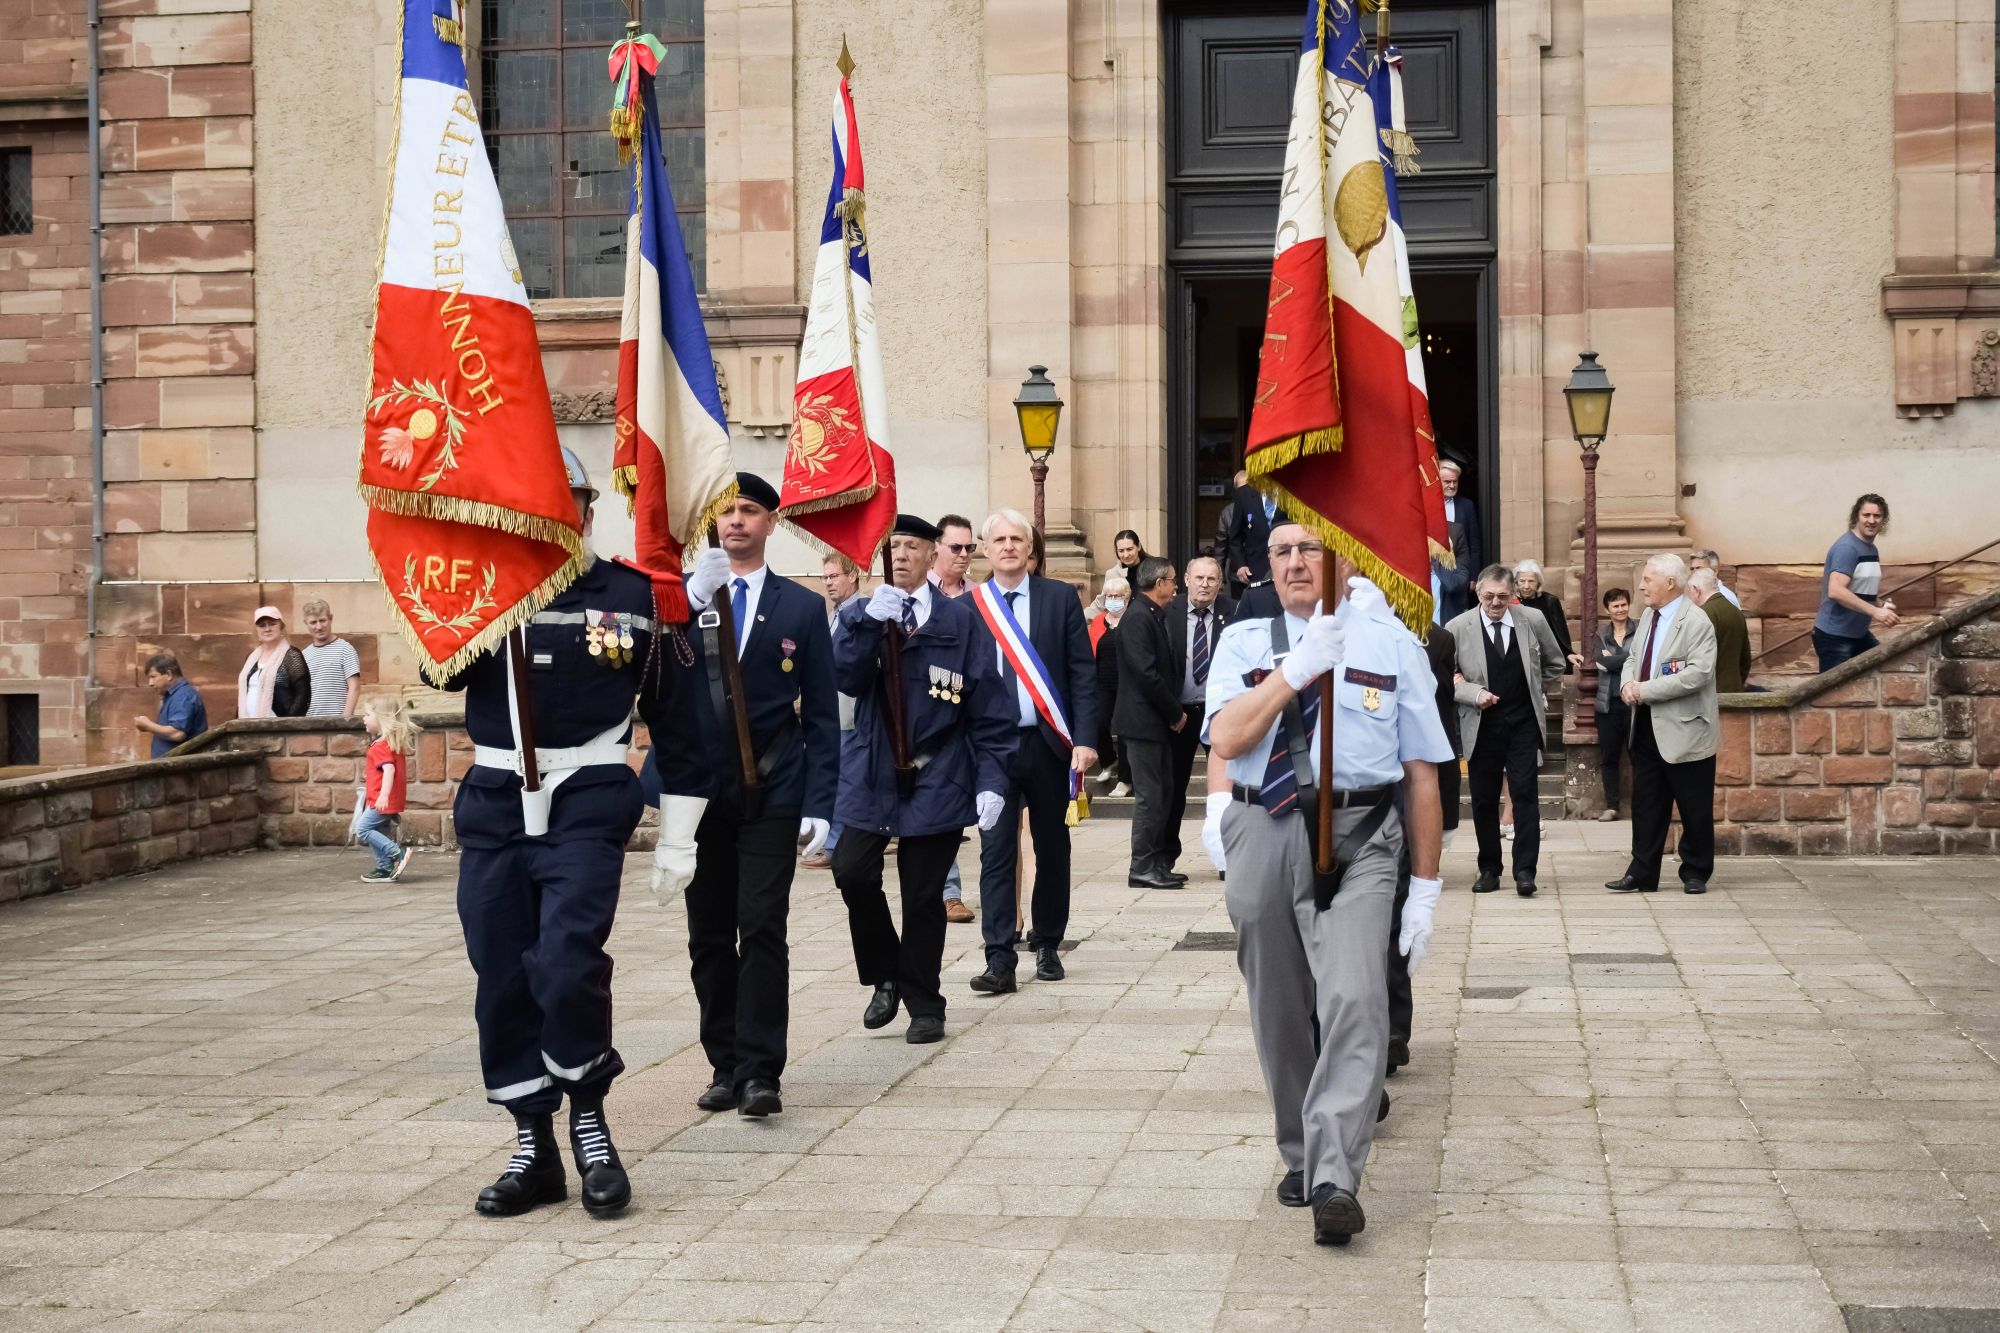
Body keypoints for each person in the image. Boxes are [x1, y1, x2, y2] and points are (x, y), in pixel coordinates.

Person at [441, 447, 674, 1219]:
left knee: (568, 959)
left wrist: (684, 825)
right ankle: (531, 1142)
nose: (548, 513)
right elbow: (438, 672)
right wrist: (466, 590)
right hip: (498, 800)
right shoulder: (481, 594)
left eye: (562, 499)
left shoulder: (626, 592)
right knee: (500, 973)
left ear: (583, 508)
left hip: (585, 797)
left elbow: (676, 715)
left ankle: (590, 1117)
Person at [1205, 525, 1450, 1245]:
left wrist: (1427, 887)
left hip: (1362, 833)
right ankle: (1301, 1146)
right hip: (1267, 824)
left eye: (1309, 547)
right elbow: (1226, 738)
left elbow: (1422, 772)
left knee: (1356, 994)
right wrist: (1295, 671)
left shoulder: (1390, 643)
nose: (1293, 562)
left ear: (1344, 559)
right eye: (1280, 551)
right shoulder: (1244, 643)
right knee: (1278, 1000)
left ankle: (1336, 1173)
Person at [646, 473, 840, 1121]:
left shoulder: (800, 607)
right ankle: (724, 1063)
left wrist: (821, 802)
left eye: (749, 511)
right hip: (699, 791)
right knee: (708, 933)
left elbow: (819, 716)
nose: (735, 521)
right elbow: (655, 692)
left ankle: (761, 1070)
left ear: (771, 523)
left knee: (761, 927)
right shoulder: (679, 599)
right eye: (726, 511)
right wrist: (677, 606)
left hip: (775, 786)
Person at [830, 514, 1015, 1045]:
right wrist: (866, 624)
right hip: (872, 771)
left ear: (933, 553)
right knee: (852, 871)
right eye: (894, 547)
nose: (903, 555)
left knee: (923, 893)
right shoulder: (863, 614)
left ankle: (925, 1002)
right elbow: (844, 676)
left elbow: (990, 710)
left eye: (913, 546)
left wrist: (992, 781)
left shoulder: (960, 623)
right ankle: (885, 972)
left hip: (938, 773)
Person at [966, 507, 1098, 994]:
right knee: (995, 853)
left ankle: (1046, 943)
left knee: (1053, 848)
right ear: (985, 549)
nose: (1007, 547)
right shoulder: (969, 607)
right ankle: (999, 957)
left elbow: (1082, 673)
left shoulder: (1059, 598)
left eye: (1016, 539)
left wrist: (1084, 740)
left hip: (1048, 745)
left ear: (1030, 548)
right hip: (991, 753)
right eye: (997, 539)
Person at [1445, 565, 1565, 896]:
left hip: (1523, 723)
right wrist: (1472, 693)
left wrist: (1534, 687)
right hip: (1481, 725)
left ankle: (1525, 871)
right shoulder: (1457, 627)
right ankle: (1489, 869)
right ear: (1477, 593)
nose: (1495, 603)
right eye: (1488, 596)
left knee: (1526, 795)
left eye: (1502, 596)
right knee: (1483, 800)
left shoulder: (1532, 621)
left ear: (1512, 595)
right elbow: (1444, 676)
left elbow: (1556, 663)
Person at [1607, 554, 1720, 897]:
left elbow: (1697, 674)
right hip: (1646, 728)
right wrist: (1627, 684)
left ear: (1670, 583)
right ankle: (1642, 872)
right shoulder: (1647, 620)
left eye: (1647, 580)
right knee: (1646, 804)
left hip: (1686, 731)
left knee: (1694, 807)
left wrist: (1645, 690)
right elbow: (1631, 658)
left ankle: (1696, 871)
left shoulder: (1697, 621)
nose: (1641, 586)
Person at [1385, 622, 1461, 1078]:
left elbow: (1435, 717)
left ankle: (1392, 1031)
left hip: (1394, 799)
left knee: (1394, 923)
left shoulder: (1423, 640)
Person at [1115, 555, 1187, 890]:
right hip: (1143, 723)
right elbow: (1146, 674)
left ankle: (1157, 862)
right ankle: (1142, 866)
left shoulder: (1154, 614)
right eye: (1173, 580)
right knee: (1150, 796)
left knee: (1163, 794)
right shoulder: (1138, 618)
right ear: (1159, 584)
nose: (1176, 586)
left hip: (1154, 723)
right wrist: (1175, 712)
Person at [1163, 554, 1234, 870]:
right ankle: (1165, 857)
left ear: (1220, 584)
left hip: (1221, 713)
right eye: (1199, 578)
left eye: (1212, 579)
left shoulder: (1234, 612)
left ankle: (1227, 857)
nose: (1205, 584)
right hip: (1180, 715)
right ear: (1187, 581)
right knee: (1173, 787)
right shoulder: (1169, 611)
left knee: (1228, 787)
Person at [929, 513, 978, 922]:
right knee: (939, 810)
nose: (964, 555)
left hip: (974, 714)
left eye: (970, 549)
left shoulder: (980, 596)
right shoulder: (914, 595)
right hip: (932, 720)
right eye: (956, 547)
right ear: (937, 548)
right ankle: (949, 892)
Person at [804, 554, 866, 872]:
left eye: (834, 576)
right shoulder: (831, 616)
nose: (828, 582)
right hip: (830, 711)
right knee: (835, 778)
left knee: (847, 781)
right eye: (824, 577)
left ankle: (835, 845)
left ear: (853, 575)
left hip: (852, 713)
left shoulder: (862, 612)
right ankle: (832, 841)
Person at [1813, 494, 1897, 671]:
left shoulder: (1870, 548)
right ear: (1856, 517)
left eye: (1877, 516)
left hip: (1858, 634)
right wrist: (1875, 612)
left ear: (1884, 520)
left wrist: (1880, 604)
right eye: (1866, 515)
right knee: (1832, 696)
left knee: (1882, 673)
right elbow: (1835, 590)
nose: (1871, 520)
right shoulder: (1847, 548)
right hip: (1835, 637)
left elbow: (1859, 591)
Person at [355, 694, 417, 884]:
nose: (363, 718)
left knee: (363, 829)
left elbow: (389, 770)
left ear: (381, 718)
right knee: (378, 832)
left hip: (381, 801)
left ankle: (397, 852)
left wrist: (383, 795)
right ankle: (384, 867)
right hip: (383, 799)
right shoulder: (389, 743)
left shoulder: (381, 746)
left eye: (367, 714)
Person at [1593, 587, 1635, 821]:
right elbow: (1600, 664)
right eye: (1615, 606)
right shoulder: (1600, 634)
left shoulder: (1640, 629)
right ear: (1607, 609)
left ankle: (1644, 805)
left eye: (1623, 604)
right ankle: (1612, 806)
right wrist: (1629, 659)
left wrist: (1616, 661)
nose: (1621, 609)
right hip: (1608, 704)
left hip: (1634, 701)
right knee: (1609, 757)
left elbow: (1642, 661)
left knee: (1639, 755)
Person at [1090, 571, 1131, 793]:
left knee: (1124, 730)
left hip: (1126, 682)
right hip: (1102, 682)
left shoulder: (1133, 618)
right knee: (1098, 723)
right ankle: (1108, 761)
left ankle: (1125, 779)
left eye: (1117, 596)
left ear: (1127, 597)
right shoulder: (1098, 621)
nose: (1113, 600)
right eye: (1109, 596)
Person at [236, 607, 311, 720]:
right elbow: (245, 694)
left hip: (278, 729)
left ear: (281, 626)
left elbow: (303, 695)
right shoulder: (251, 658)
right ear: (257, 630)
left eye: (272, 624)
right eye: (262, 625)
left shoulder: (291, 655)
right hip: (247, 726)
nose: (267, 629)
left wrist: (288, 724)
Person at [133, 652, 207, 757]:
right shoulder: (174, 695)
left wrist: (147, 725)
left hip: (180, 767)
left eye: (153, 677)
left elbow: (177, 733)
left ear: (169, 674)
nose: (150, 683)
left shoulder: (182, 696)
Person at [1434, 458, 1481, 621]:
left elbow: (1473, 543)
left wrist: (1474, 576)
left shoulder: (1466, 505)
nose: (1452, 486)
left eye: (1455, 481)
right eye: (1447, 481)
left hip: (1457, 572)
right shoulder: (1425, 505)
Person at [1690, 568, 1751, 693]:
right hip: (1735, 690)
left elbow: (1698, 662)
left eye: (1689, 592)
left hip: (1710, 694)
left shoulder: (1703, 614)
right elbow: (1745, 658)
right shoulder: (1736, 611)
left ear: (1696, 590)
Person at [300, 598, 362, 718]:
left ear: (331, 619)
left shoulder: (345, 649)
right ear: (306, 624)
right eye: (313, 622)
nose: (318, 626)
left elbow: (354, 687)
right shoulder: (304, 655)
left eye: (322, 620)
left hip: (336, 723)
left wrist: (344, 720)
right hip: (309, 724)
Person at [1511, 560, 1574, 674]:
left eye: (1531, 581)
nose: (1526, 586)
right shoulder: (1509, 602)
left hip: (1542, 660)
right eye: (1522, 581)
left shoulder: (1549, 601)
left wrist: (1567, 654)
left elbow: (1559, 633)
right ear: (1515, 582)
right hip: (1516, 658)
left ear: (1538, 583)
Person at [1224, 478, 1287, 589]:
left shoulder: (1292, 490)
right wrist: (1240, 565)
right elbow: (1235, 536)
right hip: (1254, 568)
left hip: (1285, 562)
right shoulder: (1244, 493)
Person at [930, 513, 975, 600]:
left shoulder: (979, 593)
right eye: (956, 547)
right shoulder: (917, 589)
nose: (964, 554)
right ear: (935, 547)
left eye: (969, 547)